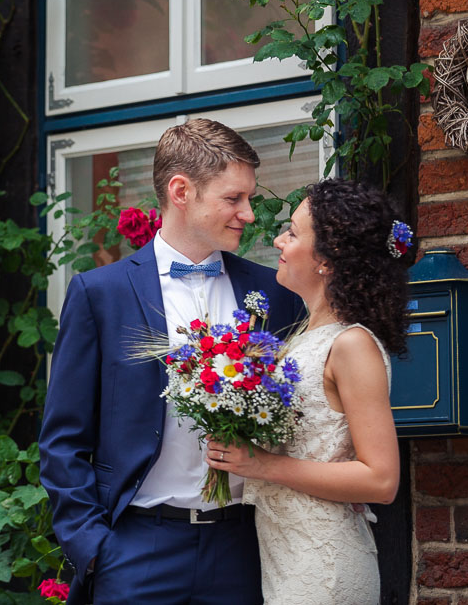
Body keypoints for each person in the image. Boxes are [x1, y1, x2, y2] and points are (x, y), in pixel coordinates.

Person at [39, 119, 304, 605]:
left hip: (245, 548)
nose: (248, 213)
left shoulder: (275, 293)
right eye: (233, 198)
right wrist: (93, 548)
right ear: (181, 191)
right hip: (136, 550)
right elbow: (63, 439)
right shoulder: (100, 294)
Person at [206, 178, 406, 605]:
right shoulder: (302, 335)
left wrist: (259, 464)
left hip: (324, 567)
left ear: (327, 262)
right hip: (285, 557)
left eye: (293, 232)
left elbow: (381, 478)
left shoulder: (351, 344)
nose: (279, 239)